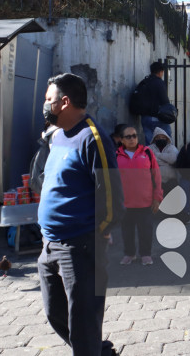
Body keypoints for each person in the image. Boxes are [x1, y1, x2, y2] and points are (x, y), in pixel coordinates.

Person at [37, 73, 125, 356]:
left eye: (48, 99)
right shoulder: (59, 136)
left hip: (80, 245)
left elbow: (111, 195)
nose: (44, 104)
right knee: (56, 315)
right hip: (49, 245)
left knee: (83, 323)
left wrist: (100, 232)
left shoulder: (93, 138)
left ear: (65, 102)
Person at [115, 125, 162, 266]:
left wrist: (157, 198)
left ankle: (146, 254)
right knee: (126, 231)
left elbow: (156, 176)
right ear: (122, 140)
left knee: (145, 231)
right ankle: (129, 254)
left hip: (145, 202)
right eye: (128, 137)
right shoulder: (116, 156)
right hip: (125, 203)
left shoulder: (147, 152)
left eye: (134, 136)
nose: (132, 139)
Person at [140, 61, 172, 144]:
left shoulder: (144, 82)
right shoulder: (159, 83)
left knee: (150, 143)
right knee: (167, 141)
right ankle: (165, 157)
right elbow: (165, 101)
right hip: (158, 117)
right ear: (161, 72)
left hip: (145, 117)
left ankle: (151, 157)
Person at [149, 127, 180, 197]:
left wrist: (157, 155)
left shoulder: (172, 148)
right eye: (158, 137)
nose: (161, 139)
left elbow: (173, 159)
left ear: (166, 138)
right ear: (154, 138)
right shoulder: (149, 148)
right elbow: (148, 160)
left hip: (170, 180)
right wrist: (166, 161)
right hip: (154, 180)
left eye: (163, 137)